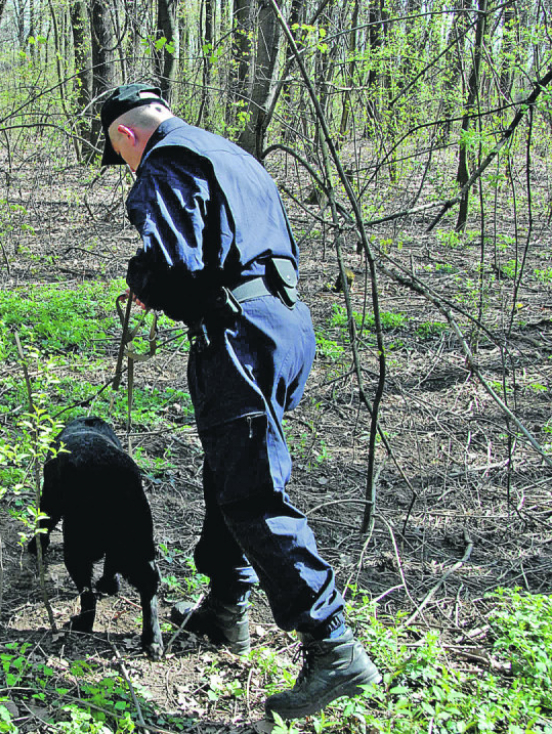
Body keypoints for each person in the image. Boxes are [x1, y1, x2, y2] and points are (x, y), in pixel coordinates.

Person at [99, 83, 381, 721]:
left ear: (127, 137)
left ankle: (332, 644)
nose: (128, 168)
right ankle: (226, 607)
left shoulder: (168, 161)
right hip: (283, 324)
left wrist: (141, 281)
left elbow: (174, 265)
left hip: (238, 338)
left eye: (122, 159)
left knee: (250, 489)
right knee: (230, 468)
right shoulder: (231, 154)